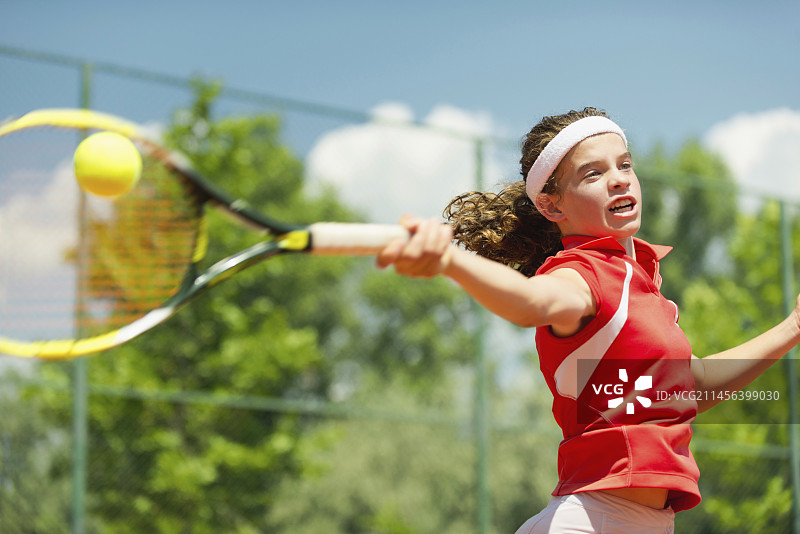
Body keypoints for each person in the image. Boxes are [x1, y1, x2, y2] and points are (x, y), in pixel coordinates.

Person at [375, 107, 800, 534]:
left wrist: (793, 326)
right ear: (550, 205)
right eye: (592, 174)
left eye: (624, 165)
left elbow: (693, 385)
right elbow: (530, 303)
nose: (619, 178)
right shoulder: (581, 274)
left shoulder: (644, 286)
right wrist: (449, 261)